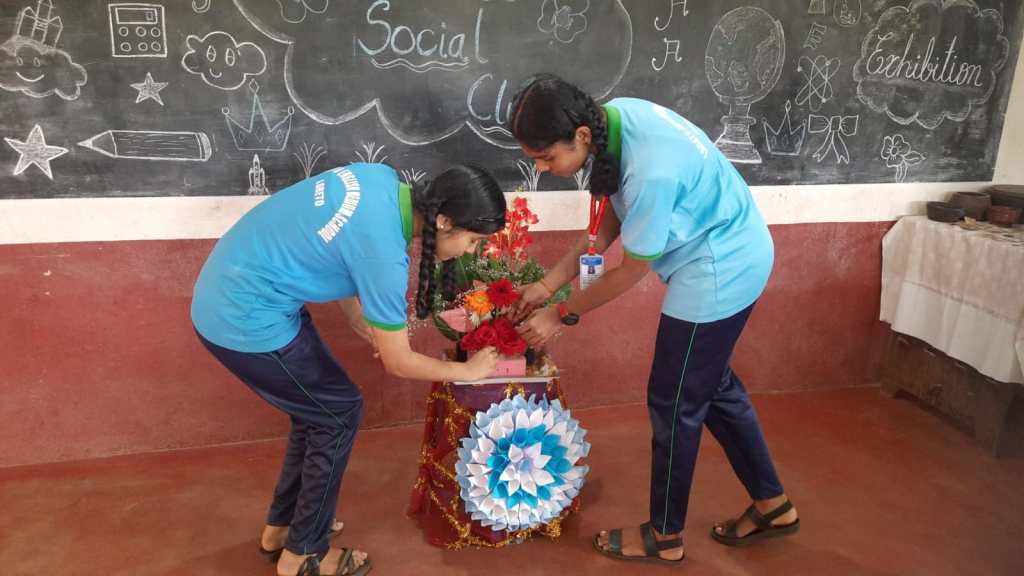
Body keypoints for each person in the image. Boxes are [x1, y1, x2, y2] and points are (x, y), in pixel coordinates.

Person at [508, 74, 799, 565]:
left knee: (675, 401)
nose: (542, 167)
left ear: (581, 136)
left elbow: (630, 271)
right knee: (712, 386)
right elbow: (613, 218)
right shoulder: (618, 117)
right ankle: (774, 506)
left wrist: (559, 313)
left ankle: (665, 535)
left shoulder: (650, 170)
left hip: (719, 267)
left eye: (546, 157)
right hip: (735, 249)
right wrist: (545, 285)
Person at [191, 163, 504, 575]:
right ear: (444, 221)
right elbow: (398, 362)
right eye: (473, 239)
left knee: (319, 412)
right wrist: (469, 372)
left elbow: (338, 251)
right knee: (337, 413)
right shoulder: (384, 255)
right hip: (243, 317)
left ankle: (283, 530)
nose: (471, 251)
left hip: (236, 289)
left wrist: (361, 321)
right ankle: (303, 555)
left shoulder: (378, 179)